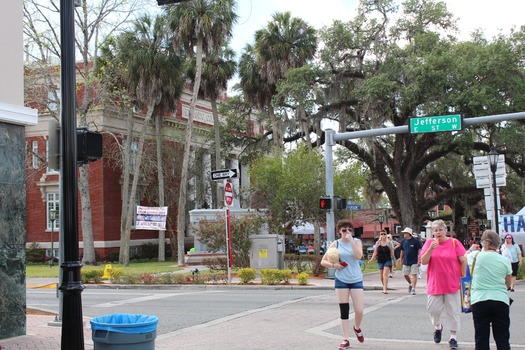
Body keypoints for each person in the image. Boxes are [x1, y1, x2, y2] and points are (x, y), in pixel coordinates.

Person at [420, 219, 467, 350]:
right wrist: (430, 248)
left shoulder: (454, 242)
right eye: (435, 230)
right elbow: (423, 261)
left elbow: (463, 259)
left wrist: (463, 276)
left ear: (446, 231)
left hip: (452, 283)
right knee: (433, 309)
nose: (438, 232)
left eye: (440, 230)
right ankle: (438, 327)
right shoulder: (429, 243)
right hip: (435, 283)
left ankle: (453, 337)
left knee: (453, 311)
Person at [321, 219, 365, 350]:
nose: (347, 232)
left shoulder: (357, 242)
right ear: (339, 231)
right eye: (344, 230)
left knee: (359, 310)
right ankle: (345, 339)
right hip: (341, 280)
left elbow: (359, 257)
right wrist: (334, 265)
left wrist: (351, 240)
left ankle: (357, 328)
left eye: (349, 230)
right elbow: (324, 261)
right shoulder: (336, 244)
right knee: (344, 310)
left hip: (356, 279)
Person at [467, 230, 512, 350]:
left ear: (484, 243)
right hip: (500, 299)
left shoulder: (474, 256)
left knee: (481, 337)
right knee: (502, 337)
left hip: (479, 299)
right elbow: (508, 283)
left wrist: (472, 249)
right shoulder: (504, 260)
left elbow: (464, 256)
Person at [368, 229, 395, 294]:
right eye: (381, 234)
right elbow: (375, 252)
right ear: (380, 235)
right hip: (380, 260)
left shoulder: (389, 243)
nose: (383, 235)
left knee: (385, 274)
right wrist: (372, 259)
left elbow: (391, 252)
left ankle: (385, 289)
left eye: (384, 234)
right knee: (381, 276)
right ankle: (384, 286)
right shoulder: (378, 243)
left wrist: (394, 260)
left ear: (386, 235)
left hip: (387, 260)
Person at [398, 227, 422, 295]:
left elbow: (419, 251)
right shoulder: (403, 241)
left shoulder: (415, 241)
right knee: (405, 274)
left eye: (405, 233)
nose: (404, 234)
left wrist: (419, 260)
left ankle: (414, 288)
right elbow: (402, 251)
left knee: (414, 274)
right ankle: (410, 283)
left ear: (409, 233)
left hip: (414, 260)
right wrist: (401, 259)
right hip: (406, 260)